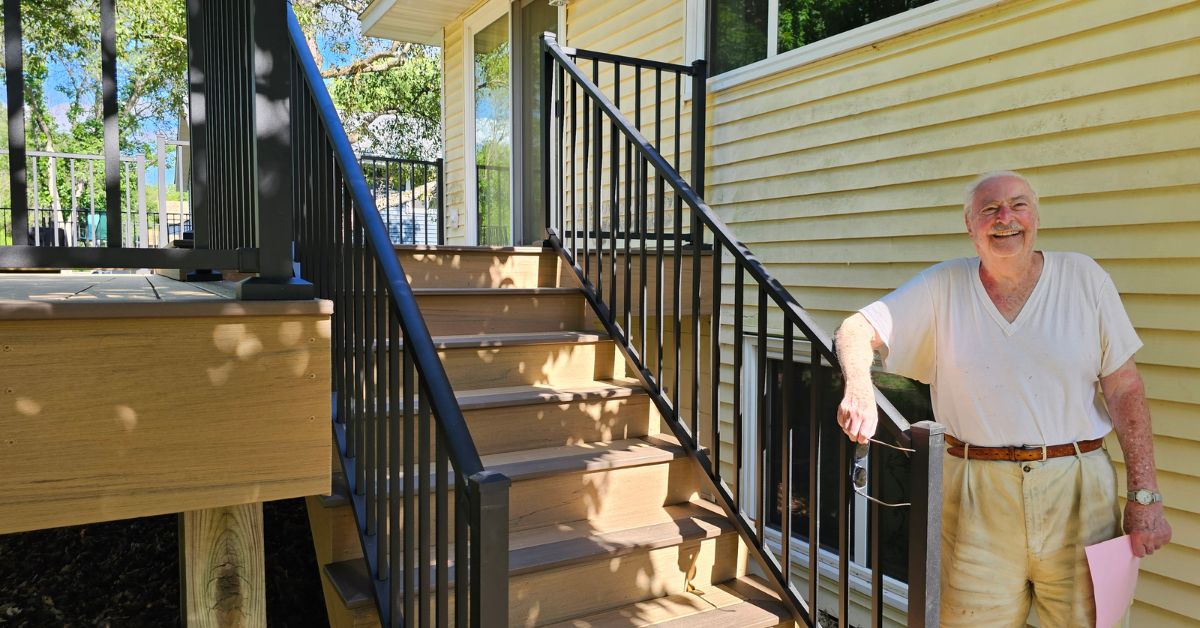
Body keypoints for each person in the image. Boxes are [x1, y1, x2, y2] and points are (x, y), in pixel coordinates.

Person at [832, 171, 1172, 626]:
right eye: (989, 209)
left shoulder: (1084, 279)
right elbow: (855, 329)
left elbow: (1125, 389)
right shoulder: (942, 287)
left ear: (1036, 218)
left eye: (1018, 205)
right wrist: (859, 385)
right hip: (975, 493)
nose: (1005, 218)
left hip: (1078, 487)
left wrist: (1144, 495)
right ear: (969, 225)